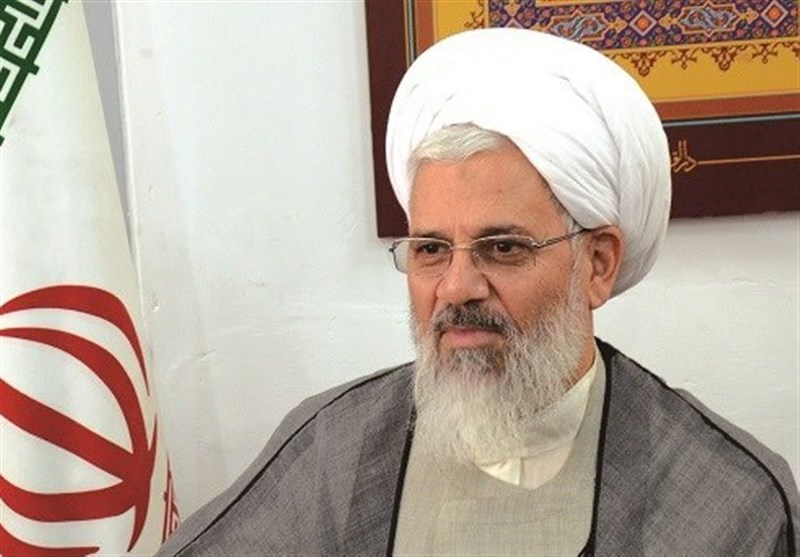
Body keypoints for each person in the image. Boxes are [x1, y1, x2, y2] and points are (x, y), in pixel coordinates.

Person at [157, 28, 798, 556]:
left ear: (597, 264)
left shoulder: (727, 497)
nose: (457, 288)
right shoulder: (335, 448)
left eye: (504, 248)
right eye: (431, 249)